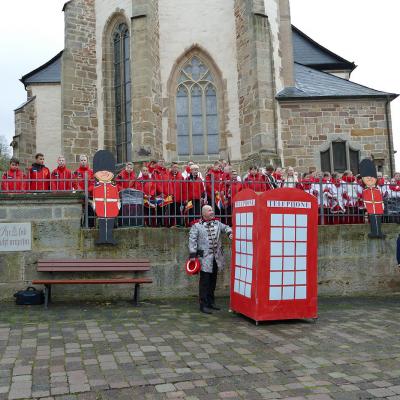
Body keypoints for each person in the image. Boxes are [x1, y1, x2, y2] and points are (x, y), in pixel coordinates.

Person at [188, 205, 232, 314]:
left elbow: (226, 227)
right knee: (205, 282)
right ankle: (203, 305)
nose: (212, 212)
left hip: (216, 258)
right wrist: (192, 256)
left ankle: (211, 303)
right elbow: (192, 240)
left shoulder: (217, 224)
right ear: (204, 213)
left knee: (213, 281)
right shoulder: (196, 226)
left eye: (212, 210)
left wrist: (230, 233)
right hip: (204, 259)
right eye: (209, 210)